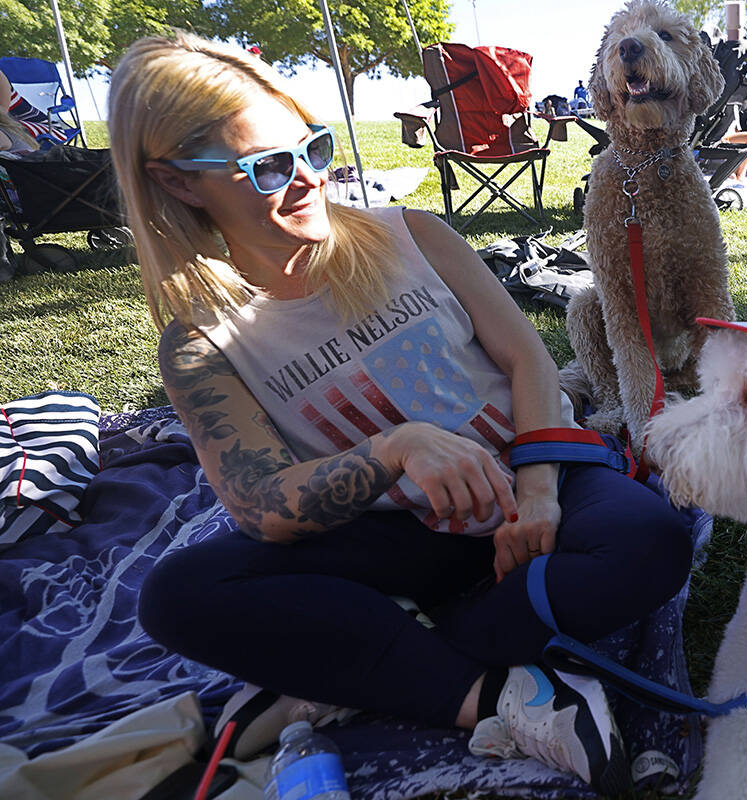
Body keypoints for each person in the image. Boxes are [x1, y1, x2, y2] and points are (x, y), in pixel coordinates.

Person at [108, 32, 693, 794]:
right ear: (181, 184)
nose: (309, 181)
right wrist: (399, 446)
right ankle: (499, 695)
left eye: (313, 150)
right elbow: (262, 506)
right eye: (270, 167)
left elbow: (531, 364)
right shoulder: (200, 341)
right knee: (179, 594)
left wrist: (540, 489)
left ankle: (370, 666)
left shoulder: (411, 233)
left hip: (534, 481)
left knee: (650, 540)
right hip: (398, 537)